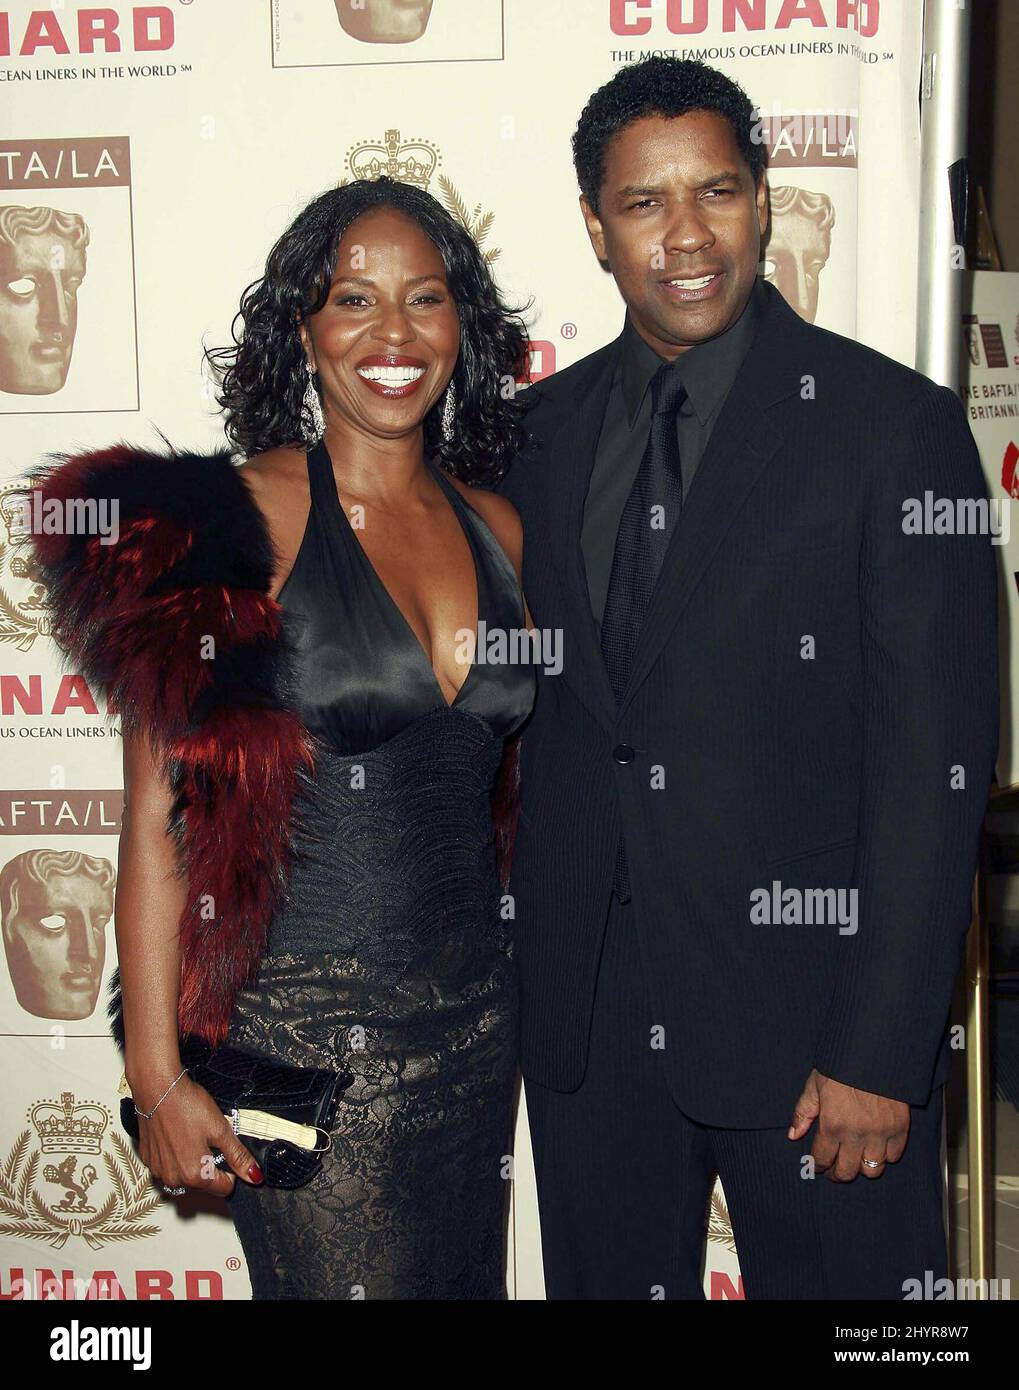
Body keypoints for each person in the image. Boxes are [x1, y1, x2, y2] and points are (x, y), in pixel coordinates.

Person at [498, 56, 998, 1300]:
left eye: (716, 191)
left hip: (817, 1038)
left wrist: (882, 1051)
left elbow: (933, 767)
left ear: (764, 200)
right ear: (593, 227)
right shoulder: (531, 438)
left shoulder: (894, 427)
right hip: (592, 1036)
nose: (686, 235)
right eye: (643, 202)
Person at [30, 175, 536, 1299]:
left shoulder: (497, 524)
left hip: (472, 1039)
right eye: (353, 300)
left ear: (465, 325)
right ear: (302, 330)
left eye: (424, 299)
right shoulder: (233, 523)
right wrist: (157, 1075)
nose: (392, 334)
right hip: (306, 1051)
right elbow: (160, 829)